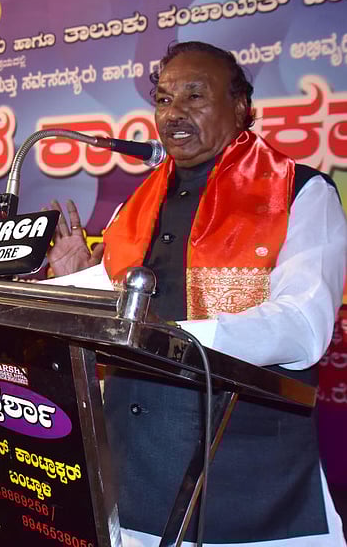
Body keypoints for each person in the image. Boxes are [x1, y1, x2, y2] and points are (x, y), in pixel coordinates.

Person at [45, 41, 346, 545]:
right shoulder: (136, 208)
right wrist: (66, 283)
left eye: (194, 96)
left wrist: (176, 341)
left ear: (242, 108)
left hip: (241, 476)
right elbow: (112, 303)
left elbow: (304, 325)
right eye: (163, 99)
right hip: (126, 463)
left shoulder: (301, 193)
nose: (173, 113)